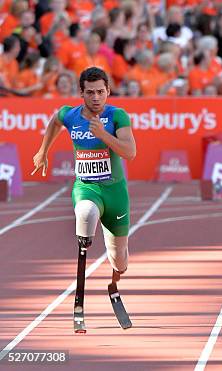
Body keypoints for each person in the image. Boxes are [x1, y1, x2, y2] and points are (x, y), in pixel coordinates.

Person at [31, 67, 136, 330]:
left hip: (115, 194)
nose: (96, 98)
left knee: (119, 258)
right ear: (82, 94)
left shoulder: (117, 116)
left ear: (108, 92)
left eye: (101, 92)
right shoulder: (71, 114)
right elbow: (55, 121)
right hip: (86, 187)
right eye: (90, 93)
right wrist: (43, 151)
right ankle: (79, 300)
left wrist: (102, 135)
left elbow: (130, 152)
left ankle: (113, 283)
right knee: (86, 213)